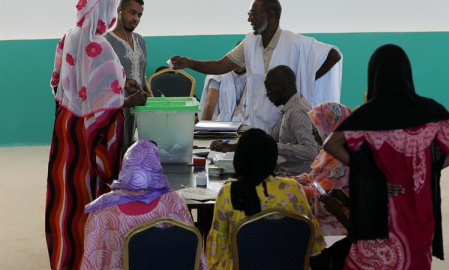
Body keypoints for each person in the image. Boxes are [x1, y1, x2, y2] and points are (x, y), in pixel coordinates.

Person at [323, 44, 449, 270]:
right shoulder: (429, 110)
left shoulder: (368, 115)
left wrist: (370, 174)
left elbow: (331, 144)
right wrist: (433, 166)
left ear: (373, 73)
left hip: (379, 210)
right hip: (418, 208)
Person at [46, 0, 146, 268]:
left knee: (66, 200)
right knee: (92, 200)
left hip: (66, 130)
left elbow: (56, 82)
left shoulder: (67, 38)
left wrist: (77, 104)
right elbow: (110, 100)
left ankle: (65, 260)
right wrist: (129, 99)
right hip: (91, 136)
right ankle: (92, 261)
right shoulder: (101, 45)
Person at [170, 0, 342, 132]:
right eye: (249, 14)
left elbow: (334, 54)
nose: (249, 19)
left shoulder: (295, 42)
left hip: (286, 121)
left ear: (271, 14)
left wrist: (306, 79)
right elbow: (220, 66)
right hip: (258, 120)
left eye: (254, 14)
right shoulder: (250, 43)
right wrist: (190, 63)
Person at [205, 128, 326, 270]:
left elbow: (216, 251)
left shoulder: (228, 193)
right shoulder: (293, 189)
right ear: (272, 157)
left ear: (239, 158)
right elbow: (314, 243)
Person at [80, 140, 208, 269]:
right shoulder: (174, 201)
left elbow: (91, 263)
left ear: (125, 167)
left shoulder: (103, 211)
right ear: (156, 166)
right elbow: (191, 247)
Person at [212, 65, 318, 175]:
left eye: (269, 90)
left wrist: (273, 147)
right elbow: (269, 140)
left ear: (283, 89)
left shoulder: (298, 111)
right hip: (282, 174)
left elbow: (310, 151)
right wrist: (234, 147)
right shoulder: (288, 108)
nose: (267, 95)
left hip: (295, 180)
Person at [294, 102, 352, 236]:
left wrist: (290, 187)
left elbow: (323, 202)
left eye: (316, 127)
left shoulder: (341, 162)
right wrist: (291, 180)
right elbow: (313, 179)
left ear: (331, 127)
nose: (313, 132)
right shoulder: (327, 153)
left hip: (333, 225)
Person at [106, 0, 153, 151]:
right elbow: (103, 82)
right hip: (115, 112)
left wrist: (152, 103)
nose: (136, 19)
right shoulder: (106, 42)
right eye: (132, 13)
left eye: (139, 15)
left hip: (139, 111)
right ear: (120, 10)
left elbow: (142, 75)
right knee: (115, 156)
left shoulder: (141, 41)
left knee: (136, 156)